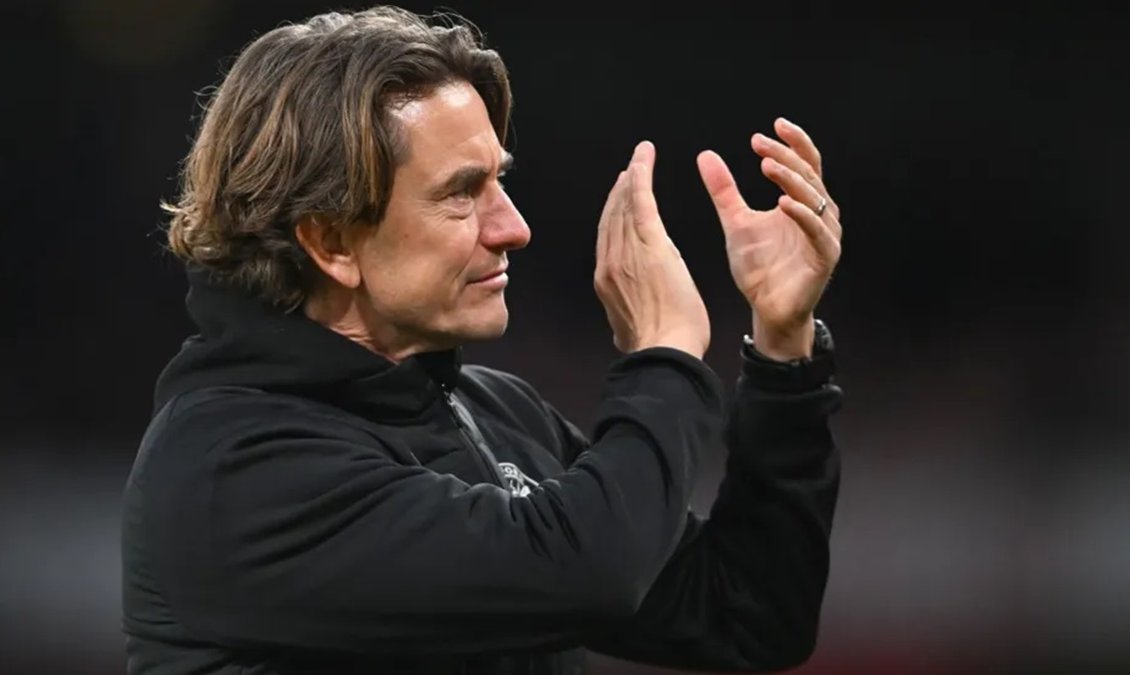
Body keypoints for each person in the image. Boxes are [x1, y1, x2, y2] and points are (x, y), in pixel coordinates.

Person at [121, 6, 845, 675]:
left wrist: (782, 349)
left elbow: (748, 614)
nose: (513, 227)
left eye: (499, 181)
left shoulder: (491, 412)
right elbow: (589, 573)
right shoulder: (233, 467)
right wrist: (666, 357)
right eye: (462, 193)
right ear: (332, 241)